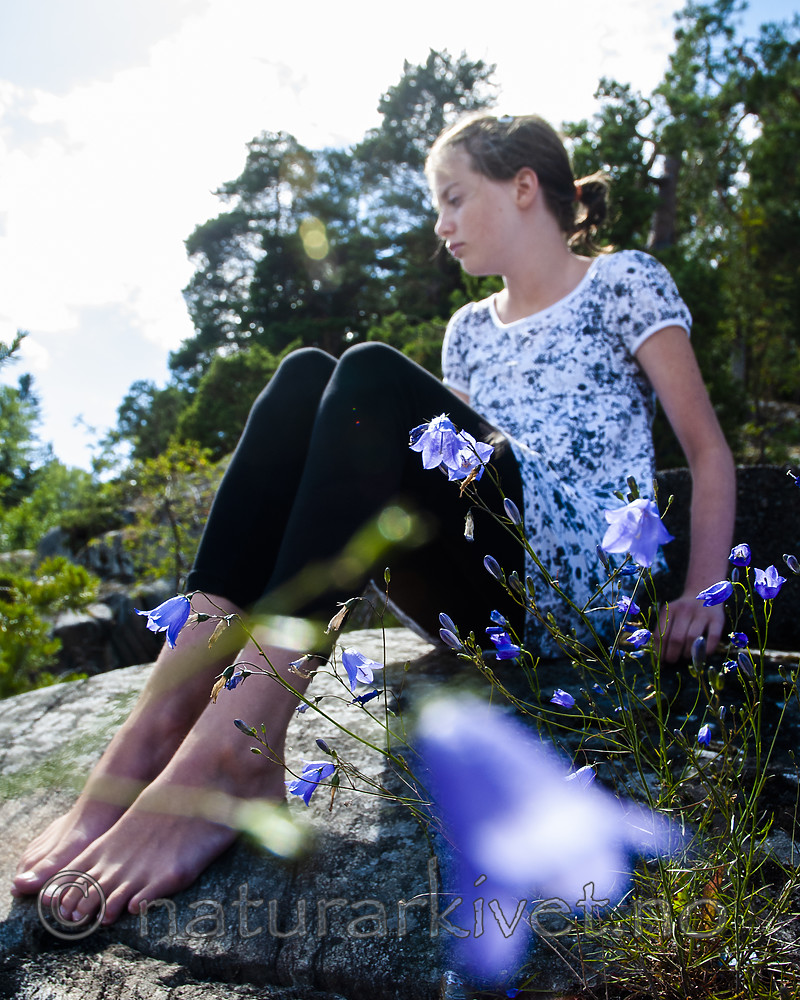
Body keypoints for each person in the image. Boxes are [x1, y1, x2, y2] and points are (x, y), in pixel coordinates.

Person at [12, 112, 735, 924]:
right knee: (303, 378)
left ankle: (234, 744)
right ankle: (168, 715)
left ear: (524, 187)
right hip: (485, 599)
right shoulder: (467, 330)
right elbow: (426, 483)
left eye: (455, 198)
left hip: (586, 574)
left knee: (370, 373)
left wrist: (703, 594)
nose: (441, 225)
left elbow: (707, 451)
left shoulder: (622, 280)